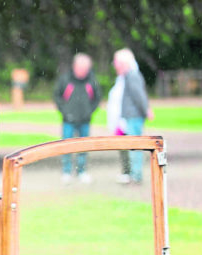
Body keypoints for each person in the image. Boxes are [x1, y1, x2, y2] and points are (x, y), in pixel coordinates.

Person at [54, 53, 101, 183]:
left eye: (85, 69)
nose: (83, 71)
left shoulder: (92, 81)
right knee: (66, 146)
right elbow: (57, 96)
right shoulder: (65, 80)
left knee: (83, 147)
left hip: (85, 120)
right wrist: (65, 112)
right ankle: (66, 171)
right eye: (81, 68)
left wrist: (89, 112)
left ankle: (82, 171)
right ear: (74, 66)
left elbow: (97, 98)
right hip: (68, 120)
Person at [110, 48, 151, 184]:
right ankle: (134, 173)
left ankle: (136, 175)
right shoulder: (126, 76)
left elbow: (139, 96)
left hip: (134, 117)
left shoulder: (132, 76)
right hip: (130, 117)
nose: (115, 65)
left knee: (135, 147)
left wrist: (146, 110)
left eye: (117, 62)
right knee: (132, 147)